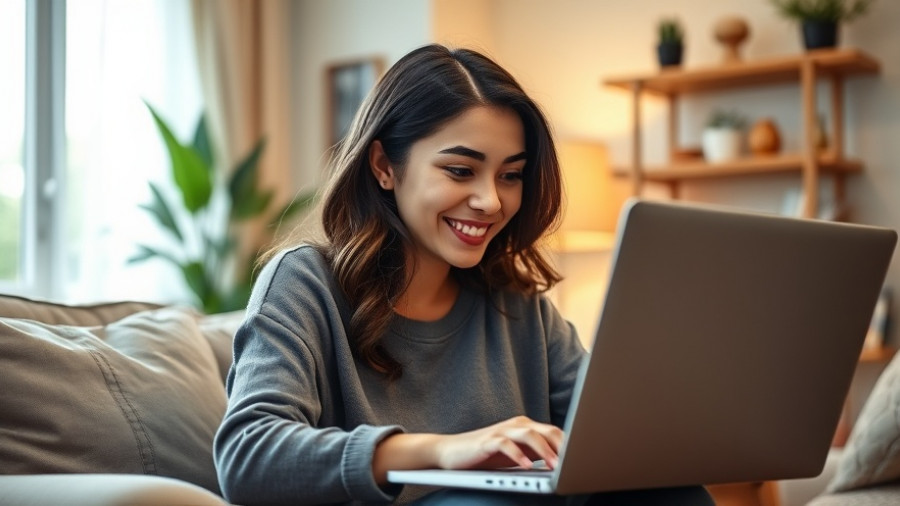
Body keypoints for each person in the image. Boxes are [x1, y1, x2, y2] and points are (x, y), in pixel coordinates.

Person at [214, 43, 713, 506]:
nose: (491, 201)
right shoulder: (304, 283)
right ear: (385, 165)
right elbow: (247, 453)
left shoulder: (516, 303)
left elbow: (611, 429)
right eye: (460, 170)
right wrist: (443, 453)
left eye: (510, 175)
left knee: (674, 491)